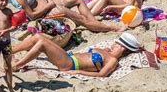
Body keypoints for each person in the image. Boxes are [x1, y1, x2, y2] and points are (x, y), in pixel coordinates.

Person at [12, 32, 142, 76]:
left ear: (122, 49)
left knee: (41, 44)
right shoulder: (107, 50)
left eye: (118, 44)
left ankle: (17, 65)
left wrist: (77, 72)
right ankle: (9, 51)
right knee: (37, 36)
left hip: (69, 64)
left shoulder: (113, 61)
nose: (114, 44)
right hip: (68, 57)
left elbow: (101, 74)